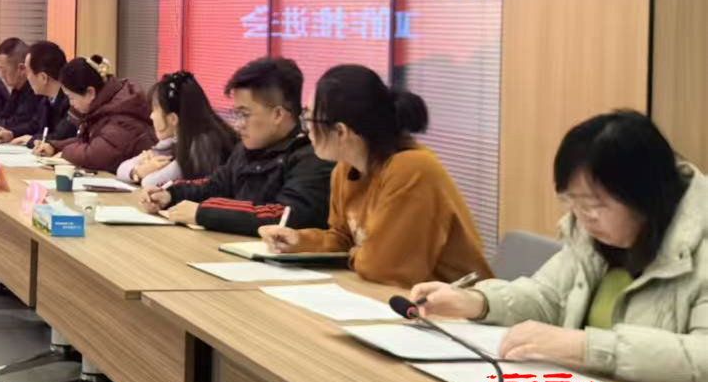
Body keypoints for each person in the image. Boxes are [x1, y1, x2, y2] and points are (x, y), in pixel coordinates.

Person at [411, 111, 707, 382]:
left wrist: (585, 347)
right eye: (572, 203)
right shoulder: (591, 239)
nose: (583, 217)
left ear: (646, 195)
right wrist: (477, 302)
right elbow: (546, 298)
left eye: (595, 205)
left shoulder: (699, 245)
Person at [256, 65, 491, 287]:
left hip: (454, 304)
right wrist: (300, 240)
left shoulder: (412, 170)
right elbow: (343, 239)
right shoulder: (345, 169)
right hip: (391, 295)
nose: (306, 130)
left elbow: (387, 268)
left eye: (309, 119)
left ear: (341, 131)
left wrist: (357, 254)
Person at [143, 56, 332, 235]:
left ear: (277, 115)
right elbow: (213, 185)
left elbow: (285, 215)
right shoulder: (247, 148)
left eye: (244, 114)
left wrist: (204, 213)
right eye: (236, 114)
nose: (237, 124)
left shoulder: (312, 156)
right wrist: (170, 193)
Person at [31, 58, 155, 173]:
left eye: (71, 98)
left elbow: (95, 154)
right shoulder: (104, 107)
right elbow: (88, 141)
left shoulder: (123, 114)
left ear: (90, 92)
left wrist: (65, 153)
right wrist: (54, 146)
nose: (71, 104)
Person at [118, 71, 238, 189]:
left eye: (154, 110)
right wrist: (138, 171)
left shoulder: (202, 144)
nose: (151, 116)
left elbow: (150, 183)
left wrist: (148, 169)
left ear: (173, 119)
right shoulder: (173, 140)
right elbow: (121, 169)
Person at [0, 40, 75, 146]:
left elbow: (60, 137)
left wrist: (32, 139)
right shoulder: (46, 99)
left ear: (43, 78)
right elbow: (33, 125)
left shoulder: (71, 101)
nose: (27, 77)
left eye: (28, 72)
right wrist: (12, 133)